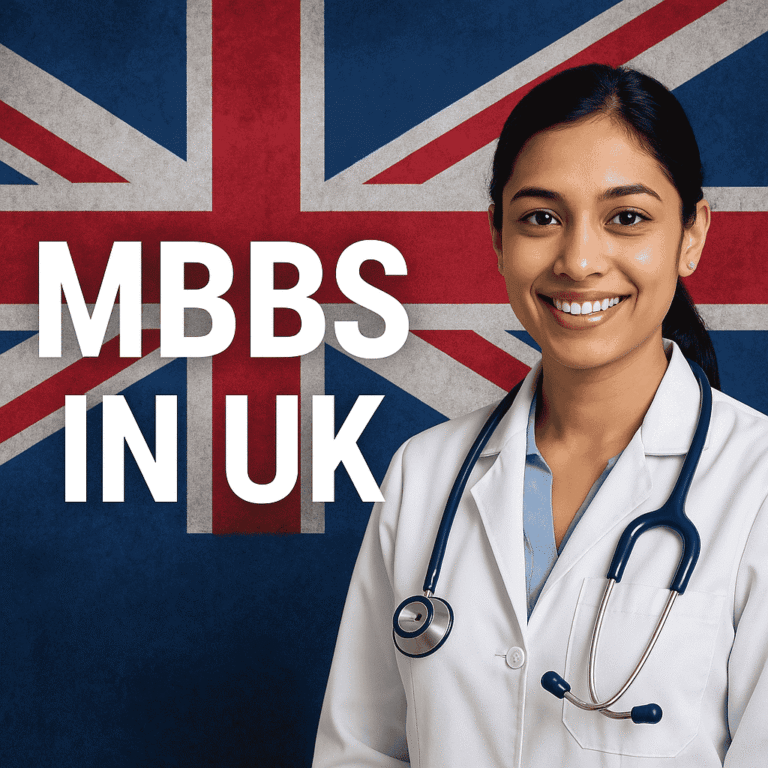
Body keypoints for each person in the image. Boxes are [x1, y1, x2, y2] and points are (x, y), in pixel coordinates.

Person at [312, 64, 768, 767]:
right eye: (541, 218)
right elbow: (360, 752)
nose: (579, 261)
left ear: (691, 235)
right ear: (498, 238)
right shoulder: (424, 474)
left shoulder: (755, 483)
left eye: (627, 218)